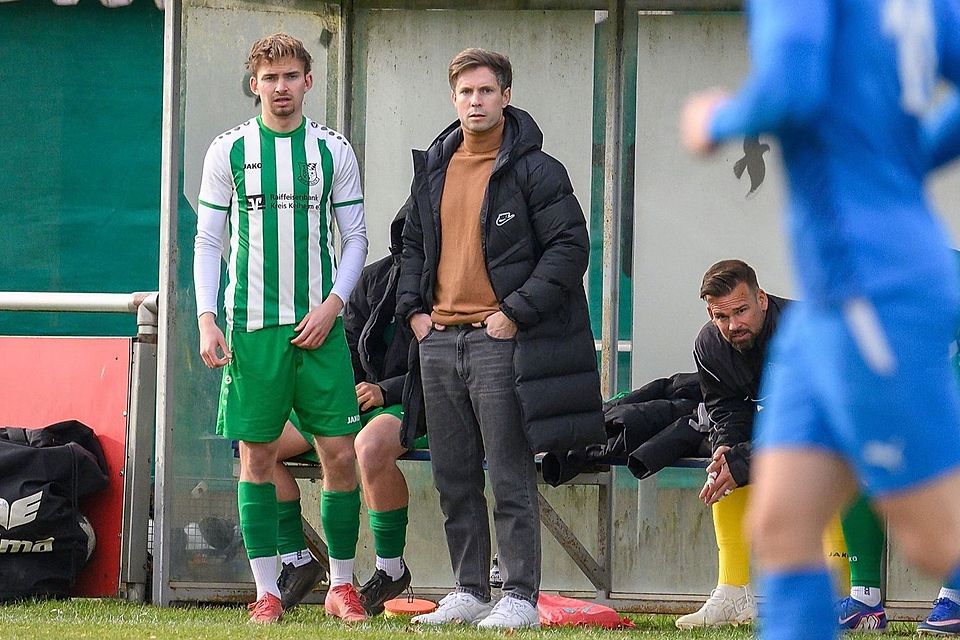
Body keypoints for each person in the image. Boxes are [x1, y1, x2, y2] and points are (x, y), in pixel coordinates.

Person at [681, 3, 960, 639]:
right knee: (782, 524)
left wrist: (714, 119)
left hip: (873, 293)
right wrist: (909, 162)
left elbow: (791, 86)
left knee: (934, 535)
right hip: (829, 305)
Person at [396, 48, 604, 629]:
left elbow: (570, 248)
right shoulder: (434, 168)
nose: (476, 101)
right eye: (466, 92)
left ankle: (518, 596)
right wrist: (414, 314)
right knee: (453, 476)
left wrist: (513, 313)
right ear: (453, 98)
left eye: (486, 91)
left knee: (509, 473)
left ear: (506, 97)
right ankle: (468, 589)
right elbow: (411, 244)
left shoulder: (538, 171)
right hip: (439, 340)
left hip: (499, 341)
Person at [193, 33, 368, 624]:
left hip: (320, 328)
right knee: (258, 455)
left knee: (339, 453)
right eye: (270, 78)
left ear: (308, 82)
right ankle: (267, 591)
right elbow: (208, 240)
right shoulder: (228, 150)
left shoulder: (332, 149)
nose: (281, 87)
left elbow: (356, 237)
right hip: (252, 330)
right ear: (255, 85)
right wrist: (207, 318)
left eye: (291, 76)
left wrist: (334, 304)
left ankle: (342, 585)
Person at [271, 205, 418, 615]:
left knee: (369, 447)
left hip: (417, 399)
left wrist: (385, 390)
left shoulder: (447, 282)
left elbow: (447, 361)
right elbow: (347, 343)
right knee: (260, 446)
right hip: (355, 396)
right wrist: (338, 392)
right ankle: (298, 561)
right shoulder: (373, 277)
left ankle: (390, 569)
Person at [677, 259, 788, 629]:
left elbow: (810, 422)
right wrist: (726, 446)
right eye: (721, 317)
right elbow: (725, 408)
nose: (733, 325)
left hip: (849, 430)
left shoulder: (800, 331)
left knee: (817, 465)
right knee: (724, 465)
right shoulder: (709, 344)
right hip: (779, 434)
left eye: (741, 311)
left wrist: (745, 459)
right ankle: (732, 590)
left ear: (762, 299)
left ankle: (840, 595)